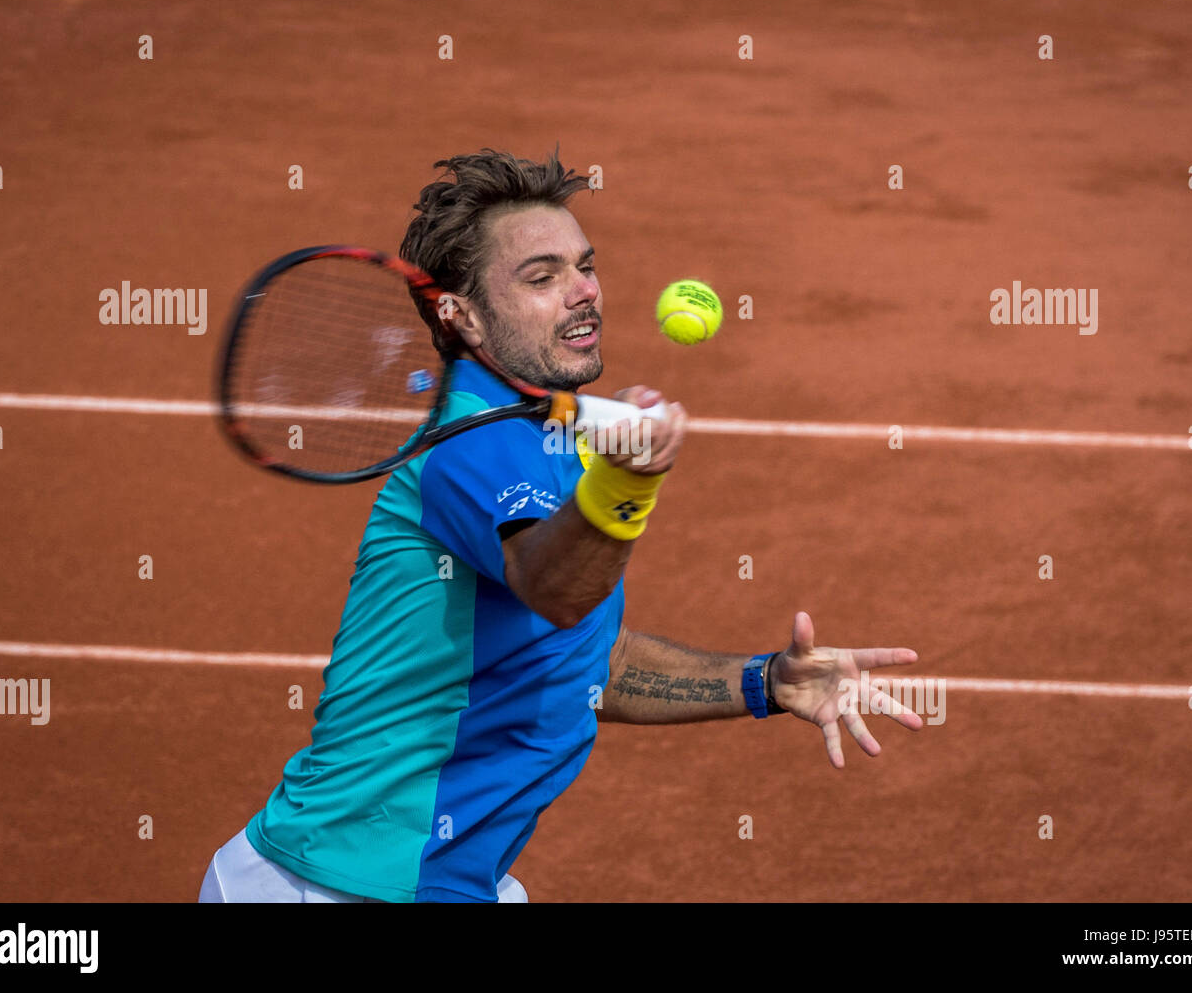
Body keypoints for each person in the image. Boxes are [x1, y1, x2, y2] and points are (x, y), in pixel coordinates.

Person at [198, 148, 922, 904]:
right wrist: (629, 481)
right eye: (541, 278)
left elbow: (582, 664)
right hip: (344, 885)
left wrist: (766, 681)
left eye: (585, 266)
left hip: (435, 878)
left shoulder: (550, 428)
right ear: (460, 313)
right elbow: (556, 590)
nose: (583, 294)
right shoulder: (467, 441)